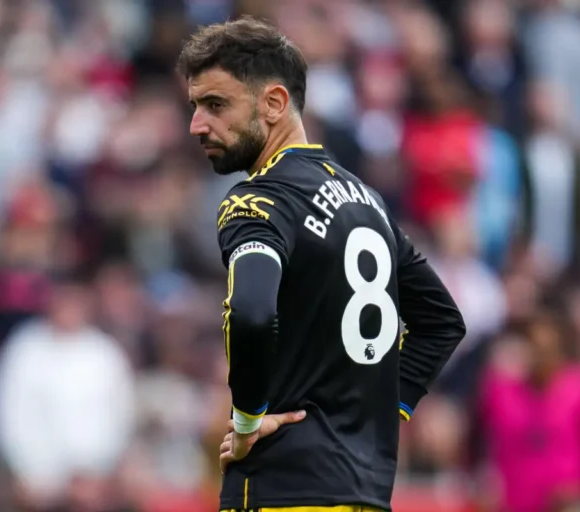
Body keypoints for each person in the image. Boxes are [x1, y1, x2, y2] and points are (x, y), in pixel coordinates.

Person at [177, 16, 466, 512]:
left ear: (273, 103)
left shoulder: (259, 200)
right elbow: (441, 322)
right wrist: (377, 411)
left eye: (215, 104)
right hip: (365, 491)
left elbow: (250, 311)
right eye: (196, 106)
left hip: (283, 487)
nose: (197, 124)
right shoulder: (366, 200)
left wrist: (246, 423)